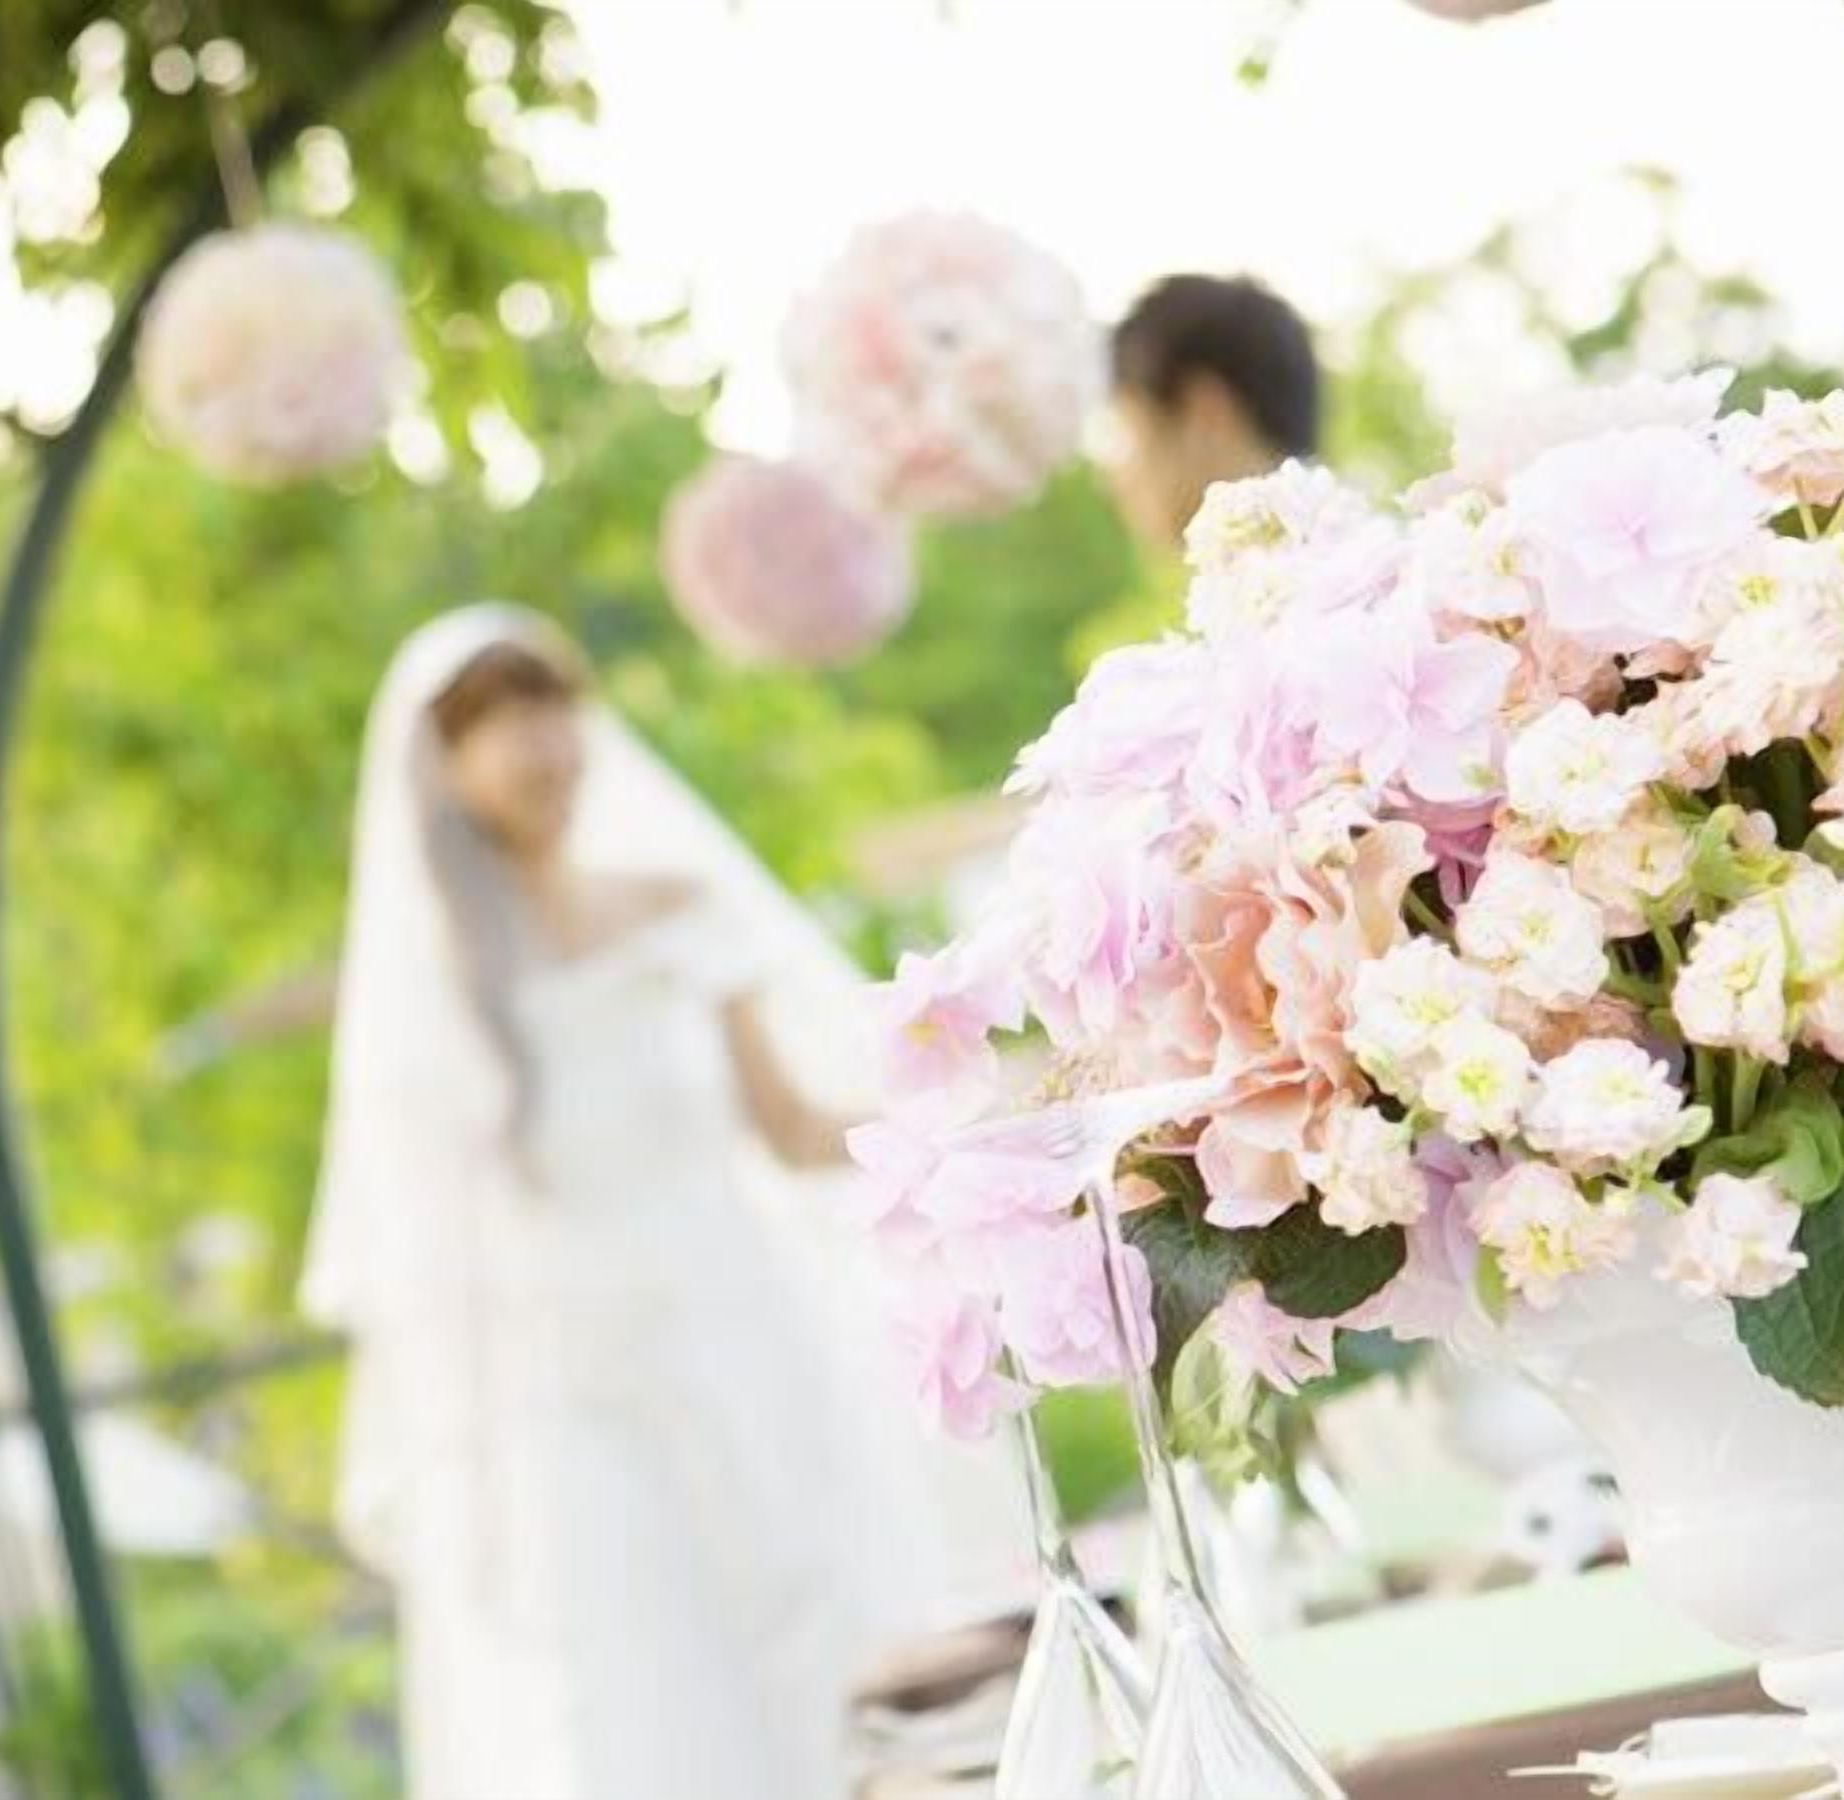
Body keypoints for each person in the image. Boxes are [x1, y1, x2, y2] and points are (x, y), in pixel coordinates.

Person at [302, 602, 1022, 1800]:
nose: (541, 748)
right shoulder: (433, 989)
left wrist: (973, 1125)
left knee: (829, 1649)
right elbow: (428, 1246)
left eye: (553, 711)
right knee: (634, 1699)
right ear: (446, 764)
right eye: (498, 723)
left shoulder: (675, 907)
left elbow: (790, 1127)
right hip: (573, 1398)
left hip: (745, 1340)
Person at [1102, 273, 1324, 549]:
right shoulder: (1366, 562)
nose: (1113, 480)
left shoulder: (1289, 583)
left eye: (1125, 434)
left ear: (1205, 415)